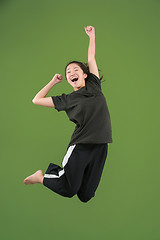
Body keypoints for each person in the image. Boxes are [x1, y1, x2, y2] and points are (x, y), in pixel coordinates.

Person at [24, 25, 113, 203]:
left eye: (75, 70)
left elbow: (91, 57)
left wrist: (92, 37)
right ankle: (41, 177)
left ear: (85, 75)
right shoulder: (67, 99)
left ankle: (64, 177)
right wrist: (52, 82)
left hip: (101, 146)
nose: (71, 73)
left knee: (86, 196)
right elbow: (36, 99)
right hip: (80, 145)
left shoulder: (94, 85)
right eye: (68, 72)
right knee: (68, 189)